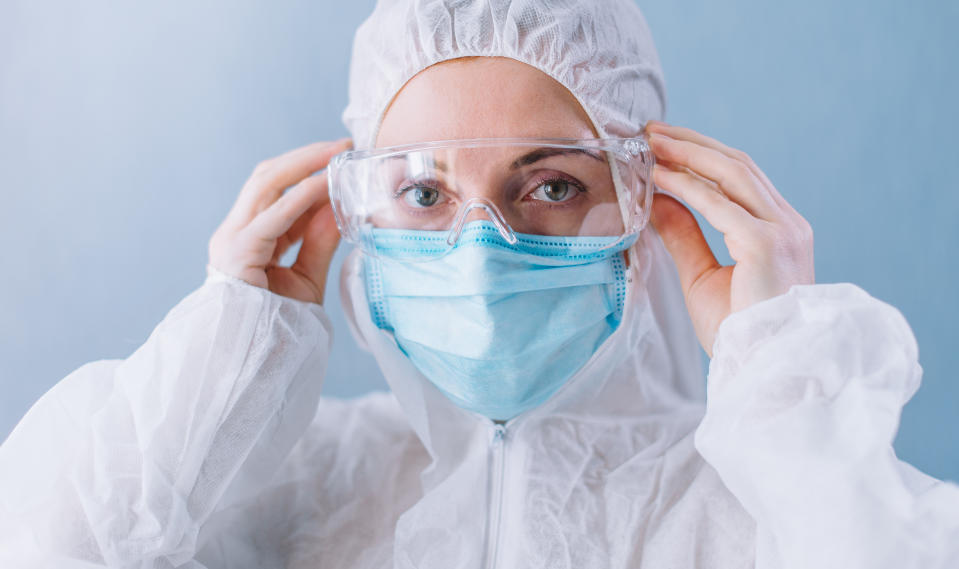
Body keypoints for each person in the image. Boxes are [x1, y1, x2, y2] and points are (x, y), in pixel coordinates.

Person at [2, 0, 957, 567]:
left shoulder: (765, 511)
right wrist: (218, 375)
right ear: (353, 210)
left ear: (643, 205)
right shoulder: (292, 490)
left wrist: (789, 383)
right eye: (423, 190)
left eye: (551, 186)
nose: (482, 250)